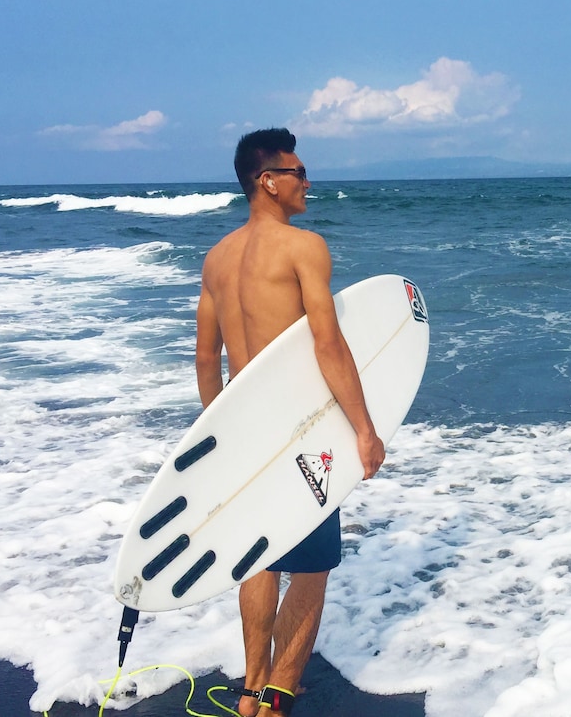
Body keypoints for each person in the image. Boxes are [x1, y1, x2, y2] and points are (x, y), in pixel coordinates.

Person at [195, 128, 385, 717]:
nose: (307, 182)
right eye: (298, 173)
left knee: (258, 556)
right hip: (299, 431)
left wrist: (216, 435)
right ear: (268, 181)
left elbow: (205, 358)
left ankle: (252, 689)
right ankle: (278, 697)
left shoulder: (217, 258)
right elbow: (328, 344)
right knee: (312, 566)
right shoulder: (304, 247)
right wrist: (364, 429)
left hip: (244, 429)